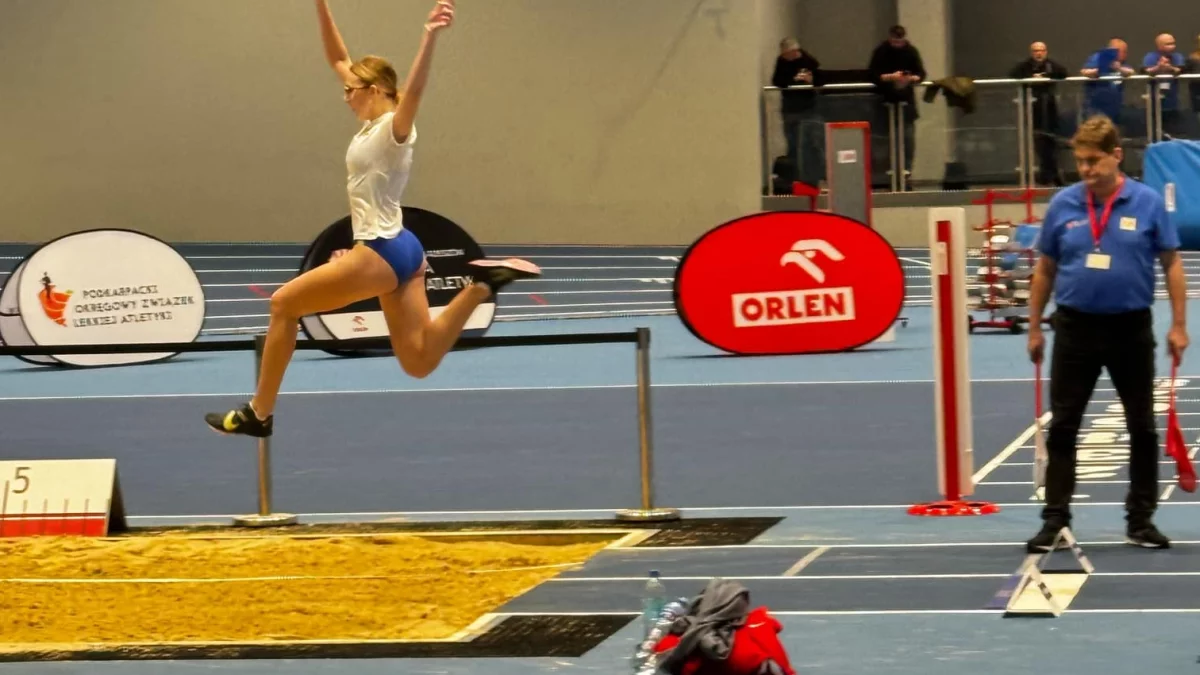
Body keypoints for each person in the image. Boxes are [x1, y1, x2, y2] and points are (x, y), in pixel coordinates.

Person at [205, 0, 541, 438]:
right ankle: (481, 286)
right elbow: (337, 57)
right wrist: (321, 6)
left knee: (283, 305)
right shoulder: (368, 122)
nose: (345, 95)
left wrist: (429, 36)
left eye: (352, 90)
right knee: (418, 361)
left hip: (381, 250)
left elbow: (414, 92)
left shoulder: (393, 129)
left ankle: (260, 413)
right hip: (405, 248)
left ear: (377, 89)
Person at [1026, 114, 1188, 552]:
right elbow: (1045, 268)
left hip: (1129, 330)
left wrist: (1178, 324)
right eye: (1080, 161)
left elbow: (1172, 263)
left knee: (1142, 427)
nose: (1085, 169)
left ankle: (1141, 520)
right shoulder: (1063, 204)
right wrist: (1034, 327)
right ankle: (1055, 521)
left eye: (1093, 160)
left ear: (1116, 156)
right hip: (1074, 329)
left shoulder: (1147, 202)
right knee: (1064, 426)